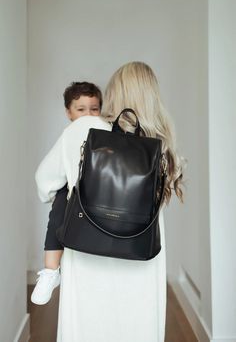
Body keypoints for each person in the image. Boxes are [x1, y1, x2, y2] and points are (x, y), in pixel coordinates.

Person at [35, 62, 185, 342]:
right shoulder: (160, 143)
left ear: (114, 92)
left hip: (88, 257)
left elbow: (44, 181)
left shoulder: (85, 128)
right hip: (142, 258)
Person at [31, 81, 102, 305]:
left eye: (94, 109)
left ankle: (51, 269)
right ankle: (51, 271)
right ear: (68, 113)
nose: (88, 115)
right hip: (85, 197)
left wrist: (49, 193)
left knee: (61, 195)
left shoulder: (106, 130)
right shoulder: (69, 134)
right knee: (63, 196)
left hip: (95, 194)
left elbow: (46, 176)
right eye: (81, 110)